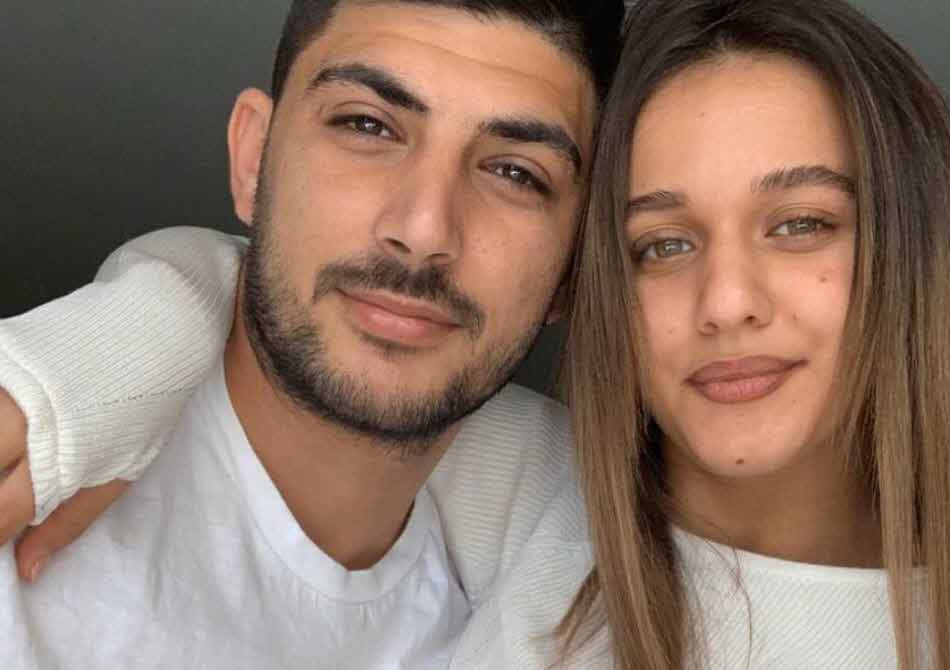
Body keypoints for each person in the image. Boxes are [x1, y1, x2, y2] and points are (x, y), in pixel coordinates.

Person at [1, 0, 950, 668]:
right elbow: (309, 325)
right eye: (663, 241)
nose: (728, 300)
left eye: (800, 223)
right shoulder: (558, 500)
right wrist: (87, 370)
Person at [0, 0, 624, 667]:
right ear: (253, 159)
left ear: (575, 266)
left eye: (515, 173)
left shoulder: (579, 575)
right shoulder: (24, 463)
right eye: (367, 125)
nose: (423, 230)